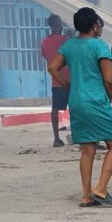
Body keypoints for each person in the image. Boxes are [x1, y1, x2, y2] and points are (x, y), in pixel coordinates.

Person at [49, 8, 112, 208]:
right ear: (94, 26)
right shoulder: (99, 46)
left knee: (87, 149)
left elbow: (52, 67)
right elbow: (109, 79)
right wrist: (108, 98)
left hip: (76, 101)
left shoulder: (69, 45)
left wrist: (67, 86)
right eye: (98, 23)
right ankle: (101, 188)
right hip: (96, 100)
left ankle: (86, 195)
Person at [41, 15, 69, 148]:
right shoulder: (65, 40)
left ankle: (56, 139)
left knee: (55, 110)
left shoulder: (44, 42)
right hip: (69, 80)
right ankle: (80, 137)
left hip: (56, 81)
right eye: (60, 23)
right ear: (57, 25)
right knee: (77, 109)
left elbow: (48, 60)